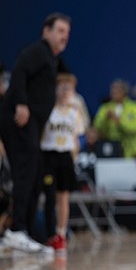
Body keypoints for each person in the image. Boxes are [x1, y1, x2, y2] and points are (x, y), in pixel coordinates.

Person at [0, 12, 71, 254]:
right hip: (19, 119)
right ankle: (16, 231)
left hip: (30, 125)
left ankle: (22, 232)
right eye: (60, 31)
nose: (65, 37)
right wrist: (20, 103)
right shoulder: (37, 51)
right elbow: (19, 72)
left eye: (67, 33)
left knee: (34, 173)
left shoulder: (50, 59)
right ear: (46, 31)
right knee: (24, 173)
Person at [40, 73, 85, 253]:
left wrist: (73, 156)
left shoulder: (75, 113)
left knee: (63, 198)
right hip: (49, 155)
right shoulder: (48, 110)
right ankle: (50, 235)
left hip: (65, 157)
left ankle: (61, 234)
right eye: (63, 87)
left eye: (70, 88)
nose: (66, 91)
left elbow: (76, 139)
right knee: (49, 197)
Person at [93, 78, 136, 158]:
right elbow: (97, 128)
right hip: (110, 151)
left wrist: (119, 122)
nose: (113, 92)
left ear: (124, 92)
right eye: (112, 89)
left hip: (131, 153)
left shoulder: (135, 107)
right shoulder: (105, 108)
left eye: (116, 90)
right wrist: (105, 120)